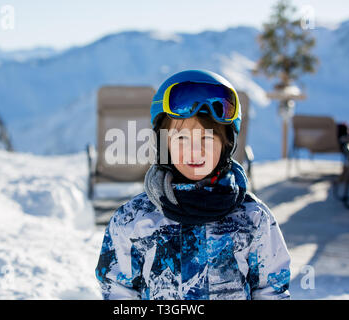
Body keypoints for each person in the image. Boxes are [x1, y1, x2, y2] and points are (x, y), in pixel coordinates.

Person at [95, 69, 291, 300]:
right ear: (163, 144)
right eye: (181, 138)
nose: (195, 151)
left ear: (227, 144)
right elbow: (118, 292)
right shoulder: (134, 220)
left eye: (207, 138)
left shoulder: (253, 218)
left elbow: (271, 290)